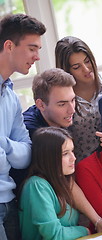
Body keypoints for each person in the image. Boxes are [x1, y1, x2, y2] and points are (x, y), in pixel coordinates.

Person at [21, 68, 102, 233]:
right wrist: (90, 227)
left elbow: (67, 180)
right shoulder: (34, 133)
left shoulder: (60, 119)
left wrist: (97, 221)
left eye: (73, 100)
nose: (71, 110)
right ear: (40, 104)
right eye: (62, 104)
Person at [0, 13, 45, 240]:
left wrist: (4, 144)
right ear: (9, 45)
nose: (37, 56)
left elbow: (26, 154)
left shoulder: (10, 96)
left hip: (8, 201)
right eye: (32, 48)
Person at [19, 127, 90, 240]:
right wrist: (85, 230)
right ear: (49, 157)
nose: (74, 158)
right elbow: (54, 234)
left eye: (72, 151)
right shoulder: (37, 185)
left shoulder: (63, 181)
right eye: (65, 153)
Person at [55, 36, 102, 161]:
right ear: (67, 70)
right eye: (77, 67)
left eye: (87, 61)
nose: (86, 69)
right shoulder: (63, 98)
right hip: (85, 168)